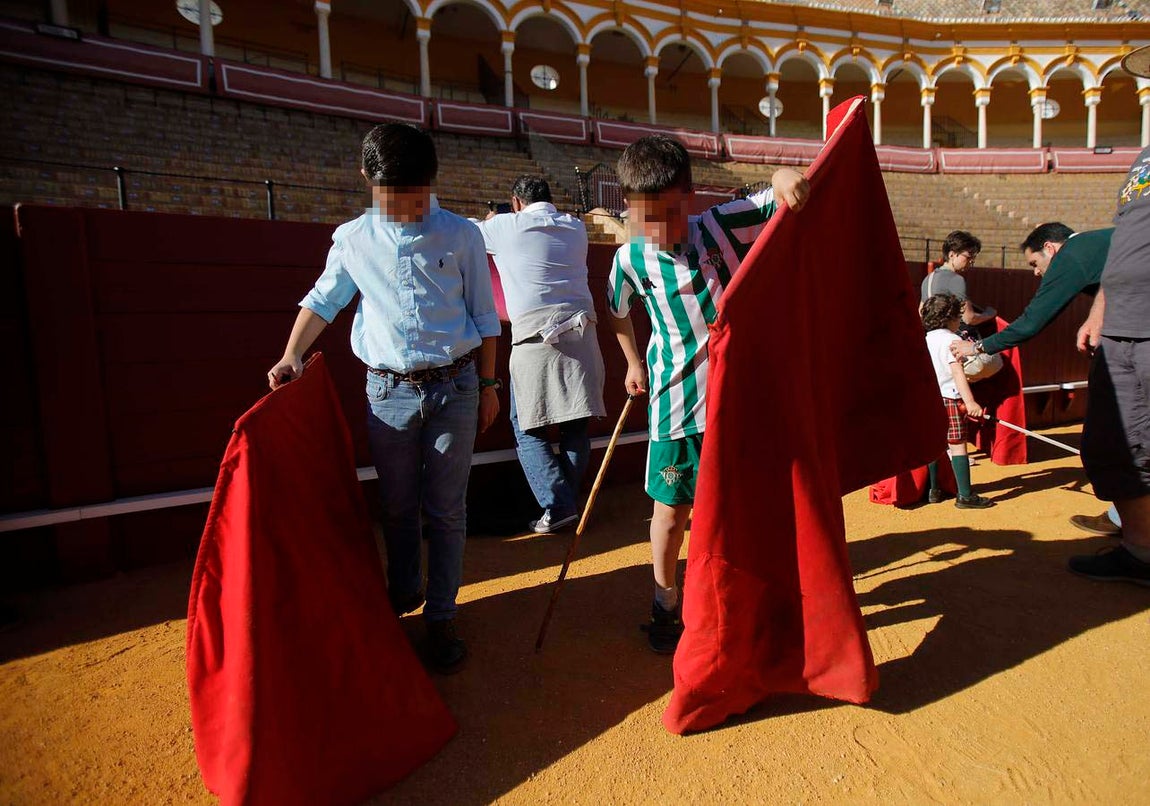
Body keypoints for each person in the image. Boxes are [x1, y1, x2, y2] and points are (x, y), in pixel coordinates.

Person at [266, 123, 502, 673]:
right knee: (397, 506)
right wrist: (290, 355)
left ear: (430, 184)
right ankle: (403, 598)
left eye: (413, 199)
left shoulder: (462, 233)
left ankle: (441, 614)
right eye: (391, 200)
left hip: (457, 385)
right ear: (369, 183)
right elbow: (323, 301)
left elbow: (486, 317)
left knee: (446, 508)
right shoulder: (353, 239)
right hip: (388, 390)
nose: (403, 210)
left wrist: (490, 385)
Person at [604, 135, 810, 653]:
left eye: (669, 214)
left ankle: (736, 600)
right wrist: (632, 362)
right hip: (673, 406)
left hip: (738, 405)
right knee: (671, 514)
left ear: (690, 197)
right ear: (628, 207)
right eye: (644, 217)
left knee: (739, 511)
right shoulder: (629, 259)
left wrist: (787, 180)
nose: (658, 230)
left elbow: (777, 192)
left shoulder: (722, 224)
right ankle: (664, 599)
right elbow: (615, 309)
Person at [949, 221, 1117, 535]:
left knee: (1115, 435)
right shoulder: (1103, 243)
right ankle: (1125, 516)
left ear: (1051, 248)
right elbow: (1118, 281)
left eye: (1035, 264)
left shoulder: (1072, 255)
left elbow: (1031, 323)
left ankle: (1132, 523)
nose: (1036, 273)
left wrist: (979, 346)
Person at [474, 176, 606, 534]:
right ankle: (564, 501)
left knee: (527, 427)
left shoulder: (504, 227)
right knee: (576, 422)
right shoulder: (575, 226)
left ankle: (558, 503)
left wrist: (492, 220)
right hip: (582, 334)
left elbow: (466, 232)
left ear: (516, 202)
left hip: (535, 339)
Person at [1069, 44, 1150, 587]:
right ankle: (1141, 551)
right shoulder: (1143, 157)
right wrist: (1100, 305)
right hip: (1121, 320)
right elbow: (1126, 237)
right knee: (1114, 441)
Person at [921, 293, 994, 510]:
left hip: (931, 399)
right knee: (958, 444)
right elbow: (957, 373)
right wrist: (970, 402)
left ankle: (934, 490)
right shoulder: (952, 341)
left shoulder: (924, 340)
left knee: (935, 445)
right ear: (951, 318)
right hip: (950, 398)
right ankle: (965, 495)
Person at [920, 230, 997, 328]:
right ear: (952, 255)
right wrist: (988, 314)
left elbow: (921, 313)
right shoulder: (956, 279)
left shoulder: (928, 278)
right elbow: (969, 318)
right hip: (952, 338)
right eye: (968, 257)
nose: (971, 261)